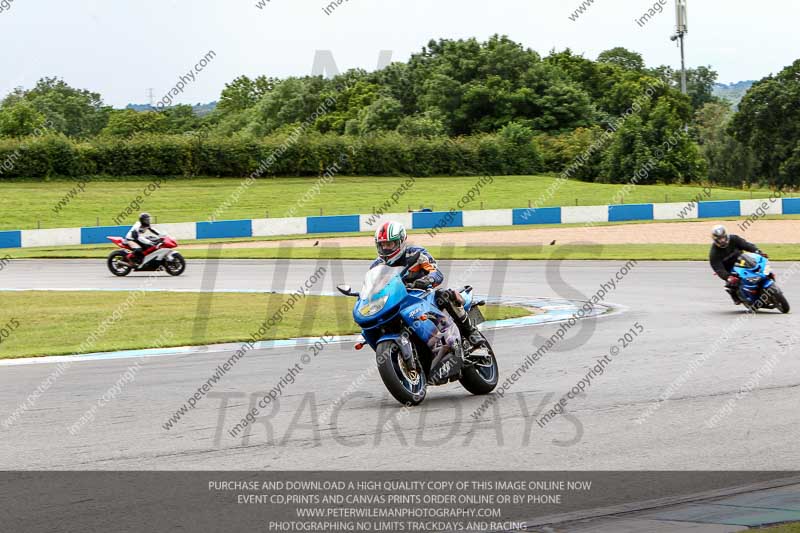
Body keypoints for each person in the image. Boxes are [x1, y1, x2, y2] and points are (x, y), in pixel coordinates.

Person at [371, 221, 480, 342]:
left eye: (389, 244)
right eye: (382, 245)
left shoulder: (417, 253)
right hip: (398, 300)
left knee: (444, 295)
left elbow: (436, 272)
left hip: (423, 295)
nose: (385, 248)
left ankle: (471, 333)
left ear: (400, 242)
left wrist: (427, 280)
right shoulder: (377, 265)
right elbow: (372, 285)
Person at [709, 224, 767, 304]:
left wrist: (757, 251)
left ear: (726, 235)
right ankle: (736, 295)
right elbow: (718, 269)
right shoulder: (714, 253)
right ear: (715, 240)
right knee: (732, 283)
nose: (722, 240)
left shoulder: (734, 239)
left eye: (723, 237)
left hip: (742, 260)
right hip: (730, 269)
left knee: (758, 266)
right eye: (719, 239)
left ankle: (765, 279)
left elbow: (746, 245)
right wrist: (728, 277)